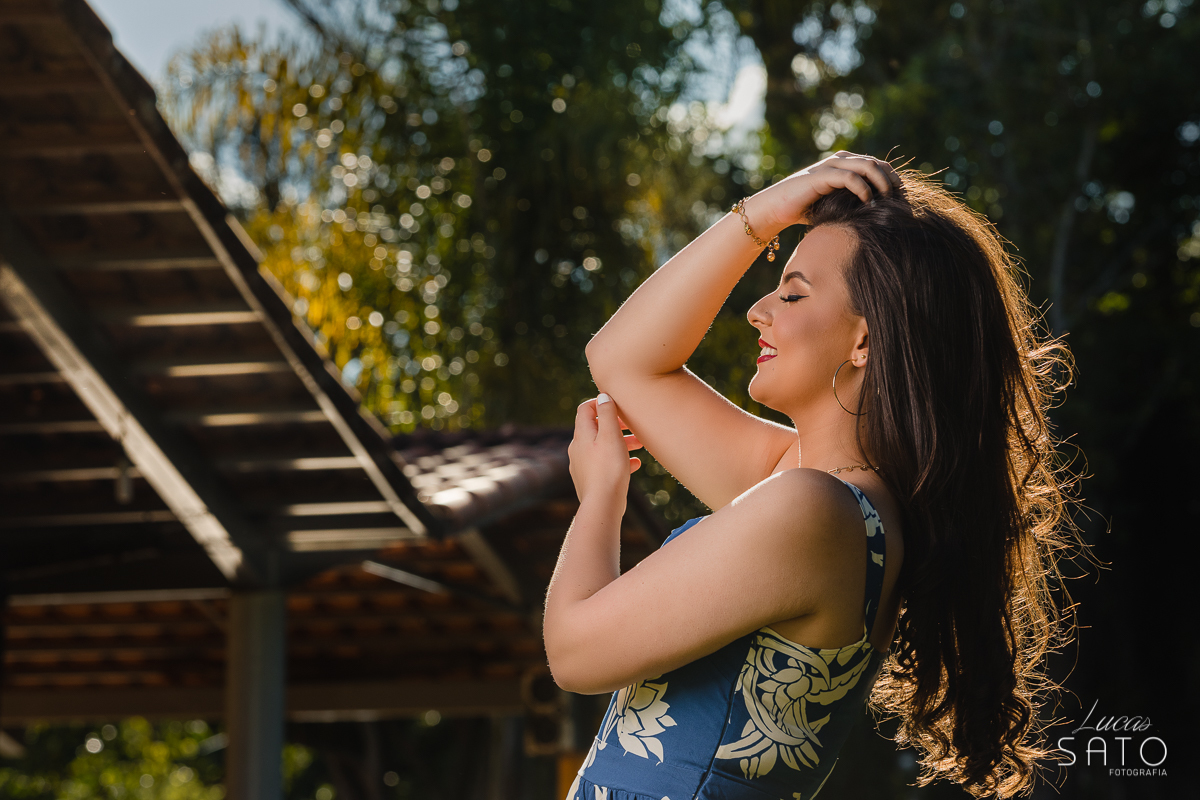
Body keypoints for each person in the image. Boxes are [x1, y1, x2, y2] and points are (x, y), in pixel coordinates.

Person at [543, 152, 1080, 799]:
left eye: (793, 293)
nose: (757, 311)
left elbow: (575, 656)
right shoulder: (823, 499)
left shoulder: (811, 512)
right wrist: (766, 211)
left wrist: (600, 497)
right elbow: (621, 361)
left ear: (865, 341)